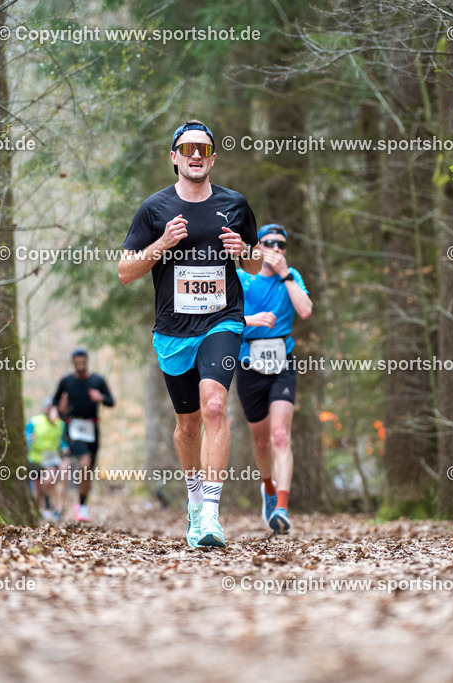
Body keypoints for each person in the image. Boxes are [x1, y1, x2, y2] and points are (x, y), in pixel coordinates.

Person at [118, 119, 261, 548]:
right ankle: (195, 503)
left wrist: (245, 253)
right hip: (173, 330)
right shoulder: (155, 208)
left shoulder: (235, 204)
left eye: (203, 149)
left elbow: (253, 265)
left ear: (213, 158)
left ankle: (212, 516)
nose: (195, 155)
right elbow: (126, 272)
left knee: (215, 405)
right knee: (188, 423)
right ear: (174, 157)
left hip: (223, 319)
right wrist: (161, 243)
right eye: (188, 149)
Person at [236, 224, 312, 533]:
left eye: (282, 244)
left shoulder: (291, 276)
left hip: (283, 363)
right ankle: (268, 487)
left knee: (281, 436)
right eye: (269, 243)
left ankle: (282, 507)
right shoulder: (243, 277)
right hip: (248, 363)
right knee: (262, 441)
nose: (276, 249)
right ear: (258, 246)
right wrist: (251, 320)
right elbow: (221, 318)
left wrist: (287, 275)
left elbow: (305, 310)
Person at [50, 349, 115, 522]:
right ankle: (75, 506)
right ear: (73, 362)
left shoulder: (97, 380)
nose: (80, 366)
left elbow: (111, 401)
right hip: (73, 428)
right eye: (77, 363)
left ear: (87, 361)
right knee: (84, 463)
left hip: (92, 427)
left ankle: (82, 504)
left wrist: (100, 397)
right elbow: (55, 402)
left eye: (83, 363)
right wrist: (56, 412)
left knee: (89, 470)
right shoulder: (66, 381)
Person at [25, 398, 64, 520]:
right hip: (35, 459)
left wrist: (65, 447)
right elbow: (26, 435)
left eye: (52, 407)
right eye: (48, 407)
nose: (50, 409)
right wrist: (28, 439)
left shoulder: (60, 424)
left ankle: (52, 507)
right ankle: (38, 514)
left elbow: (63, 440)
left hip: (51, 460)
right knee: (36, 492)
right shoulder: (34, 422)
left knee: (48, 481)